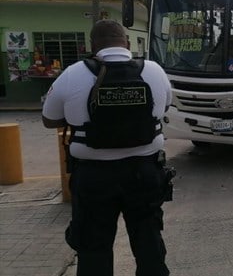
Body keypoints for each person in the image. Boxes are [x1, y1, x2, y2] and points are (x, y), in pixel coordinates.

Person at [42, 20, 172, 276]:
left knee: (93, 248)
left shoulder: (73, 73)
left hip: (93, 177)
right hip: (144, 173)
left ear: (93, 46)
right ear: (126, 42)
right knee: (149, 243)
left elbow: (49, 119)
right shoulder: (155, 70)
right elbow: (164, 107)